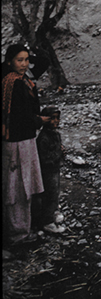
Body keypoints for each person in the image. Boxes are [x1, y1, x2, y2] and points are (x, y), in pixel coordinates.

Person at [2, 44, 51, 246]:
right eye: (19, 60)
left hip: (23, 139)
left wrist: (34, 47)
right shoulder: (12, 84)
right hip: (16, 141)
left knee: (23, 186)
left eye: (26, 60)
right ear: (9, 62)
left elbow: (43, 62)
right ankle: (17, 235)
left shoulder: (22, 79)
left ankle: (21, 229)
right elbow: (19, 117)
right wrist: (40, 121)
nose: (24, 64)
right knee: (18, 188)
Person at [34, 106, 66, 234]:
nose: (56, 121)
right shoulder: (44, 138)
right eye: (52, 118)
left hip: (55, 170)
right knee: (49, 194)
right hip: (47, 172)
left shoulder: (55, 135)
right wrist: (58, 153)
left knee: (55, 192)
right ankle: (47, 221)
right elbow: (44, 158)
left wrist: (61, 151)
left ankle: (52, 214)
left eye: (57, 118)